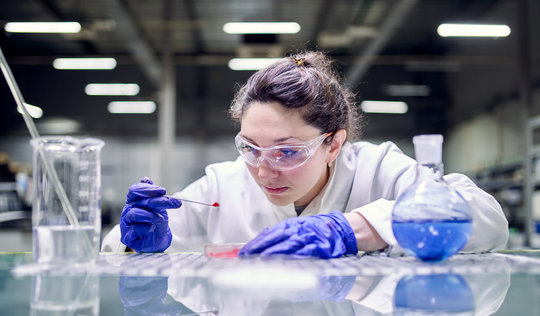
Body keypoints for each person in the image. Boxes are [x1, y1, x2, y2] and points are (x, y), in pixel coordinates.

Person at [101, 51, 508, 257]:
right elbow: (116, 247)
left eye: (287, 152)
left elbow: (488, 220)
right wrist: (138, 243)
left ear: (334, 143)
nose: (263, 170)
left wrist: (355, 230)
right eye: (250, 148)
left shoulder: (377, 169)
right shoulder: (222, 184)